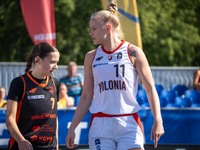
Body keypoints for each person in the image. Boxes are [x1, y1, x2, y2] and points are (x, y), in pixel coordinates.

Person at [65, 2, 164, 150]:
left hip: (128, 122)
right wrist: (72, 127)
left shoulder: (134, 52)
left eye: (94, 29)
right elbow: (86, 96)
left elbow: (150, 89)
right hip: (100, 125)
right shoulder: (90, 57)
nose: (90, 33)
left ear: (108, 28)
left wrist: (158, 119)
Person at [6, 42, 60, 150]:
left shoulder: (55, 83)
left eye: (57, 62)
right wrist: (21, 140)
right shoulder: (19, 83)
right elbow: (10, 119)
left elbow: (54, 117)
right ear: (38, 60)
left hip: (50, 147)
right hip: (25, 146)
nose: (56, 67)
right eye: (52, 62)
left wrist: (57, 143)